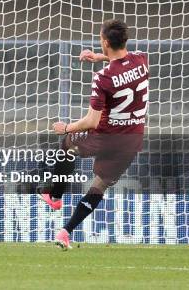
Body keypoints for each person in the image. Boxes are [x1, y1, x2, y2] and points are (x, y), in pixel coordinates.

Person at [39, 19, 148, 249]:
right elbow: (123, 64)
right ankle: (65, 232)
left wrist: (66, 127)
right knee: (100, 184)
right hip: (132, 140)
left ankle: (55, 197)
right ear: (125, 40)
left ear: (105, 42)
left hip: (105, 136)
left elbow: (91, 121)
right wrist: (100, 57)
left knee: (67, 144)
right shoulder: (141, 60)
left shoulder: (103, 78)